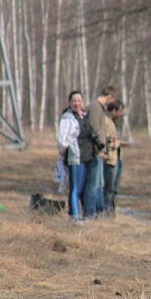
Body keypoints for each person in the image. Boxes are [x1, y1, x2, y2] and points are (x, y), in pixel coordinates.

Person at [56, 91, 93, 221]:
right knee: (75, 187)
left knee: (82, 188)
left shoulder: (84, 116)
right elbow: (62, 137)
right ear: (70, 103)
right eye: (74, 101)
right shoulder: (67, 117)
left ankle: (81, 214)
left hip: (86, 156)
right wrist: (62, 149)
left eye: (79, 101)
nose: (77, 103)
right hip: (74, 156)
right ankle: (74, 215)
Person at [83, 86, 117, 218]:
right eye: (112, 100)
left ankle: (98, 212)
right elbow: (94, 131)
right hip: (95, 152)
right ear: (110, 97)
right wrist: (99, 150)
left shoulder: (99, 108)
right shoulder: (95, 108)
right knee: (93, 185)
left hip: (98, 152)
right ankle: (90, 213)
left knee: (99, 185)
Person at [103, 100, 127, 216]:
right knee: (109, 189)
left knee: (114, 189)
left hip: (117, 158)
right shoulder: (106, 122)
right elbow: (106, 141)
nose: (121, 114)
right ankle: (108, 213)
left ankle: (112, 212)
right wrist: (118, 142)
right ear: (113, 111)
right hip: (110, 160)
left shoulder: (114, 123)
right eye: (120, 111)